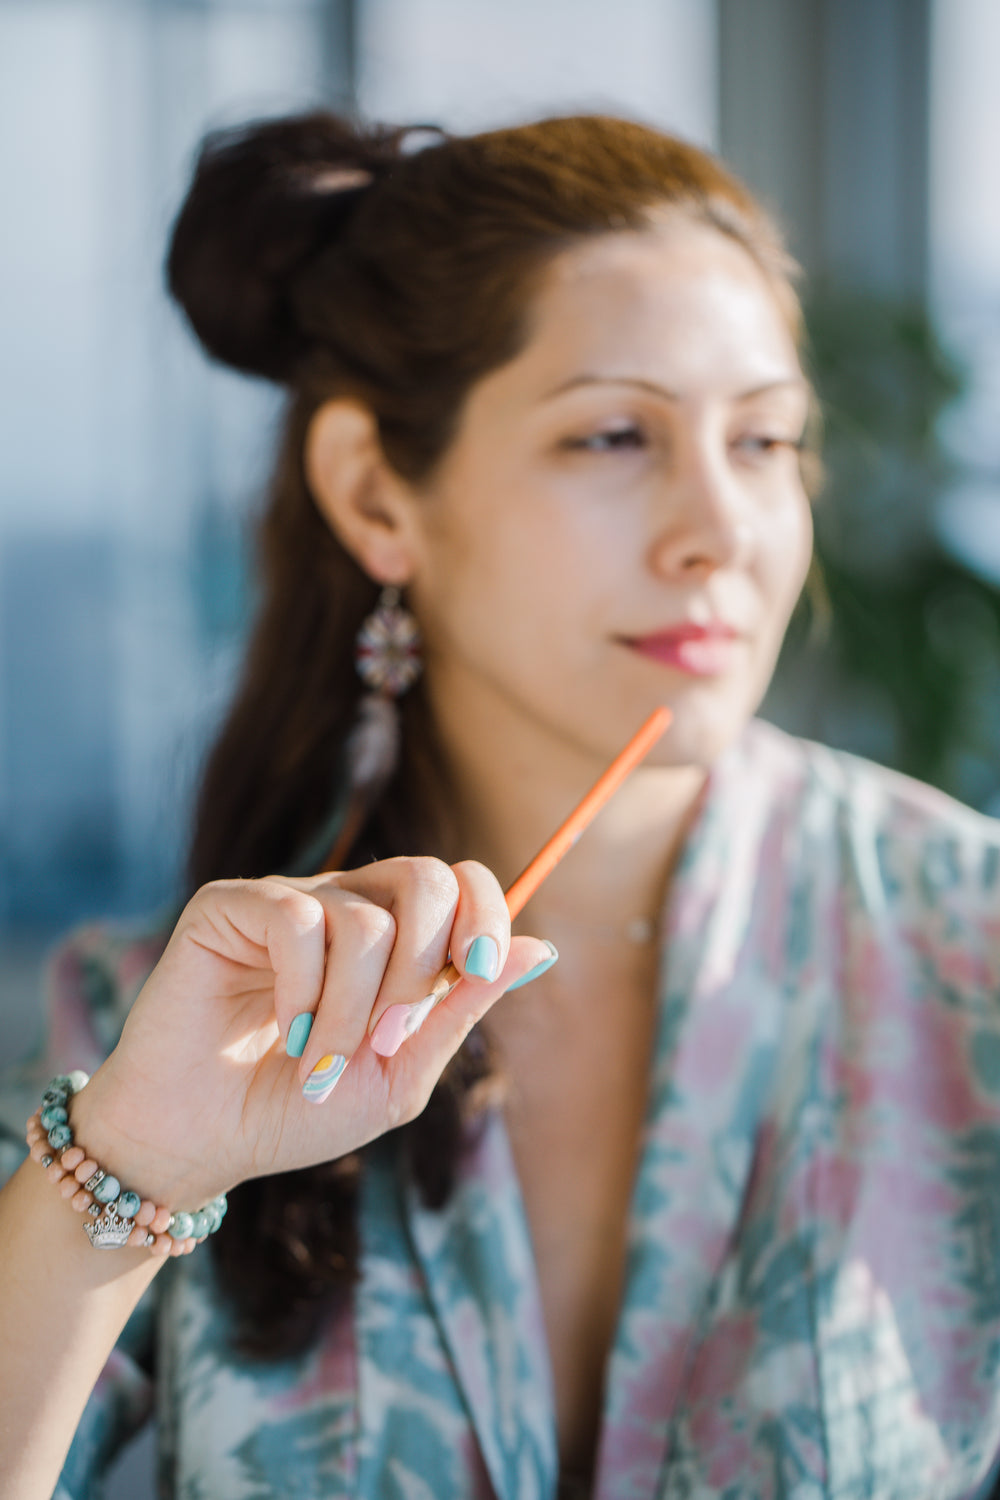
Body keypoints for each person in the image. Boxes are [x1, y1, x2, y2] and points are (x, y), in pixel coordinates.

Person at [2, 109, 1000, 1500]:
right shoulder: (146, 1030)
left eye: (767, 442)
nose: (722, 528)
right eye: (612, 436)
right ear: (374, 495)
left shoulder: (973, 953)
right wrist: (126, 1173)